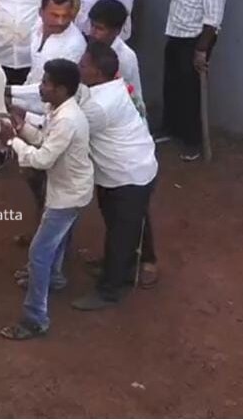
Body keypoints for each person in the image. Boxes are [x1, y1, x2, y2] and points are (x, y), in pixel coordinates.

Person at [0, 57, 93, 339]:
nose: (40, 88)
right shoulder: (60, 110)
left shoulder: (66, 120)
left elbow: (41, 159)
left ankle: (35, 318)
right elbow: (44, 141)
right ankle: (56, 278)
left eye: (46, 84)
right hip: (72, 190)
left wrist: (11, 141)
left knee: (39, 253)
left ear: (62, 89)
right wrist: (21, 128)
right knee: (57, 240)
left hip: (67, 196)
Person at [73, 41, 159, 311]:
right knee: (118, 225)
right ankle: (121, 268)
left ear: (97, 73)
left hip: (128, 176)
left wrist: (22, 123)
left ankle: (109, 290)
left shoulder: (98, 106)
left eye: (83, 64)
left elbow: (66, 129)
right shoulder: (107, 87)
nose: (79, 66)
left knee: (120, 233)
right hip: (125, 172)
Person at [162, 0, 227, 162]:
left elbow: (213, 20)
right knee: (173, 85)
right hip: (178, 32)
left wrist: (201, 50)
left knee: (190, 92)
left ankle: (192, 141)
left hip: (194, 39)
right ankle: (172, 129)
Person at [6, 0, 86, 116]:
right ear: (41, 12)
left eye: (65, 16)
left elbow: (53, 86)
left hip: (48, 111)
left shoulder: (74, 45)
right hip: (26, 98)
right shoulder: (37, 25)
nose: (60, 22)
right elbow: (34, 71)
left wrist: (10, 91)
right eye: (54, 15)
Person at [88, 0, 144, 117]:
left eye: (99, 28)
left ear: (116, 31)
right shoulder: (93, 46)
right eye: (92, 25)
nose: (92, 32)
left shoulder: (124, 58)